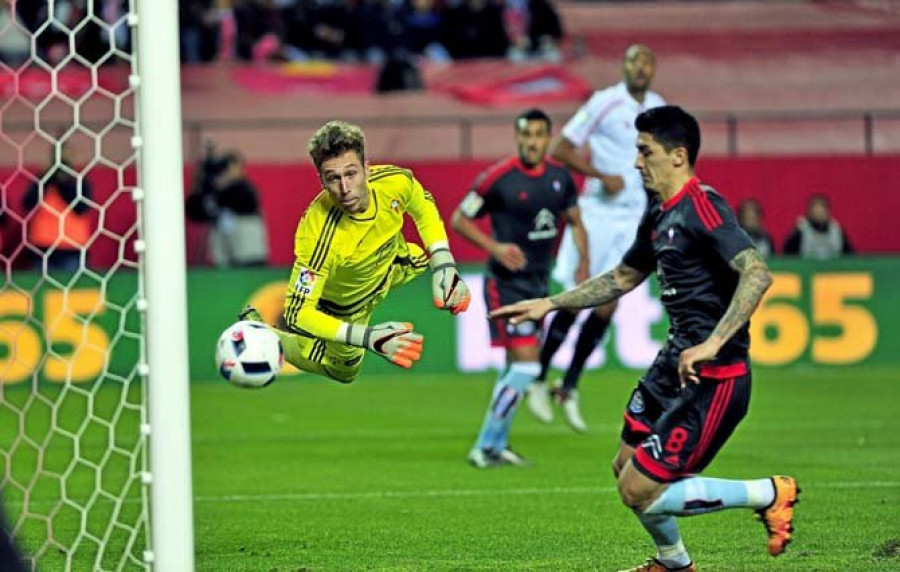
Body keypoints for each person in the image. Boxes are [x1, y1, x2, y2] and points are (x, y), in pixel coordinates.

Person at [490, 106, 799, 571]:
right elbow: (621, 276)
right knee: (624, 465)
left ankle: (770, 493)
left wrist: (714, 342)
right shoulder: (659, 213)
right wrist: (551, 304)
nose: (636, 163)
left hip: (715, 376)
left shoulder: (703, 206)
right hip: (673, 364)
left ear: (677, 156)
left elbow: (756, 274)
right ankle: (673, 562)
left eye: (644, 151)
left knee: (638, 490)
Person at [240, 120, 470, 383]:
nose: (345, 188)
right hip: (346, 302)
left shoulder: (394, 181)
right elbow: (297, 312)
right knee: (344, 371)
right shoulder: (317, 235)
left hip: (394, 264)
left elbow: (422, 204)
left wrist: (445, 264)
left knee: (430, 259)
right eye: (333, 178)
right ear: (322, 181)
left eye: (351, 174)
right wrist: (368, 337)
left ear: (367, 169)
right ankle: (265, 334)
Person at [531, 43, 666, 432]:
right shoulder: (605, 102)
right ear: (623, 67)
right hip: (597, 215)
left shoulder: (657, 107)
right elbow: (560, 148)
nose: (640, 68)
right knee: (577, 299)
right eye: (633, 61)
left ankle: (568, 386)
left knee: (607, 306)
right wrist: (597, 175)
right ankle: (539, 378)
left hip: (632, 219)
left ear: (653, 68)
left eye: (646, 61)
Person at [451, 108, 588, 468]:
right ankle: (483, 446)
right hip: (505, 285)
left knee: (514, 367)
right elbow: (460, 218)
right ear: (518, 137)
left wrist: (583, 263)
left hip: (539, 286)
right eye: (526, 135)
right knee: (527, 366)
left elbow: (576, 222)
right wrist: (495, 248)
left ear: (547, 138)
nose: (532, 142)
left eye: (539, 135)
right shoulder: (498, 178)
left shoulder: (561, 177)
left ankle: (495, 446)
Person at [22, 145, 93, 272]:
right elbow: (27, 204)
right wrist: (46, 179)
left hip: (71, 249)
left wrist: (63, 181)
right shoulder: (42, 181)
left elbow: (80, 208)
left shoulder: (79, 181)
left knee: (72, 290)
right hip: (42, 248)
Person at [782, 193, 853, 259]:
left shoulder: (837, 231)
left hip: (833, 271)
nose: (818, 212)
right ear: (809, 212)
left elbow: (852, 257)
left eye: (822, 209)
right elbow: (787, 255)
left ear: (828, 212)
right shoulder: (801, 230)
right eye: (815, 209)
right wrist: (794, 234)